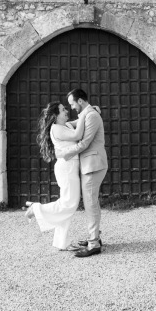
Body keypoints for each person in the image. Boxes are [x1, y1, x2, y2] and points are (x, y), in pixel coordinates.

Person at [25, 101, 88, 251]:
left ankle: (62, 243)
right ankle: (37, 209)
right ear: (55, 116)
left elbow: (78, 122)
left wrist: (90, 111)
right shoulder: (57, 128)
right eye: (62, 110)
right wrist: (86, 113)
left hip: (69, 167)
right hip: (66, 168)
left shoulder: (64, 125)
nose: (66, 111)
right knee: (68, 204)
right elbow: (78, 134)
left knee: (66, 204)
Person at [56, 89, 108, 258]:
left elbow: (85, 143)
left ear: (80, 101)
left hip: (93, 164)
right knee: (92, 202)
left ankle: (93, 244)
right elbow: (75, 124)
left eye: (72, 104)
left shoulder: (91, 115)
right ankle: (95, 238)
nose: (71, 107)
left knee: (91, 203)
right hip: (90, 164)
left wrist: (66, 153)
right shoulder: (87, 113)